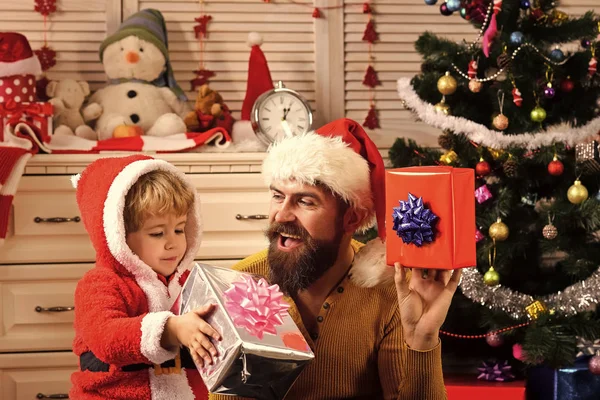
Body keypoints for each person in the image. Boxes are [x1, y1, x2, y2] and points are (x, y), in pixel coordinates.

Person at [209, 118, 461, 400]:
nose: (281, 215)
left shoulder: (391, 291)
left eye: (305, 201)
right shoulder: (240, 283)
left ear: (351, 217)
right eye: (278, 196)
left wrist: (422, 340)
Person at [70, 154, 220, 400]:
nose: (173, 243)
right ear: (119, 236)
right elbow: (105, 337)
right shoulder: (100, 284)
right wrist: (170, 329)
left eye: (179, 229)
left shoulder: (189, 282)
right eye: (158, 233)